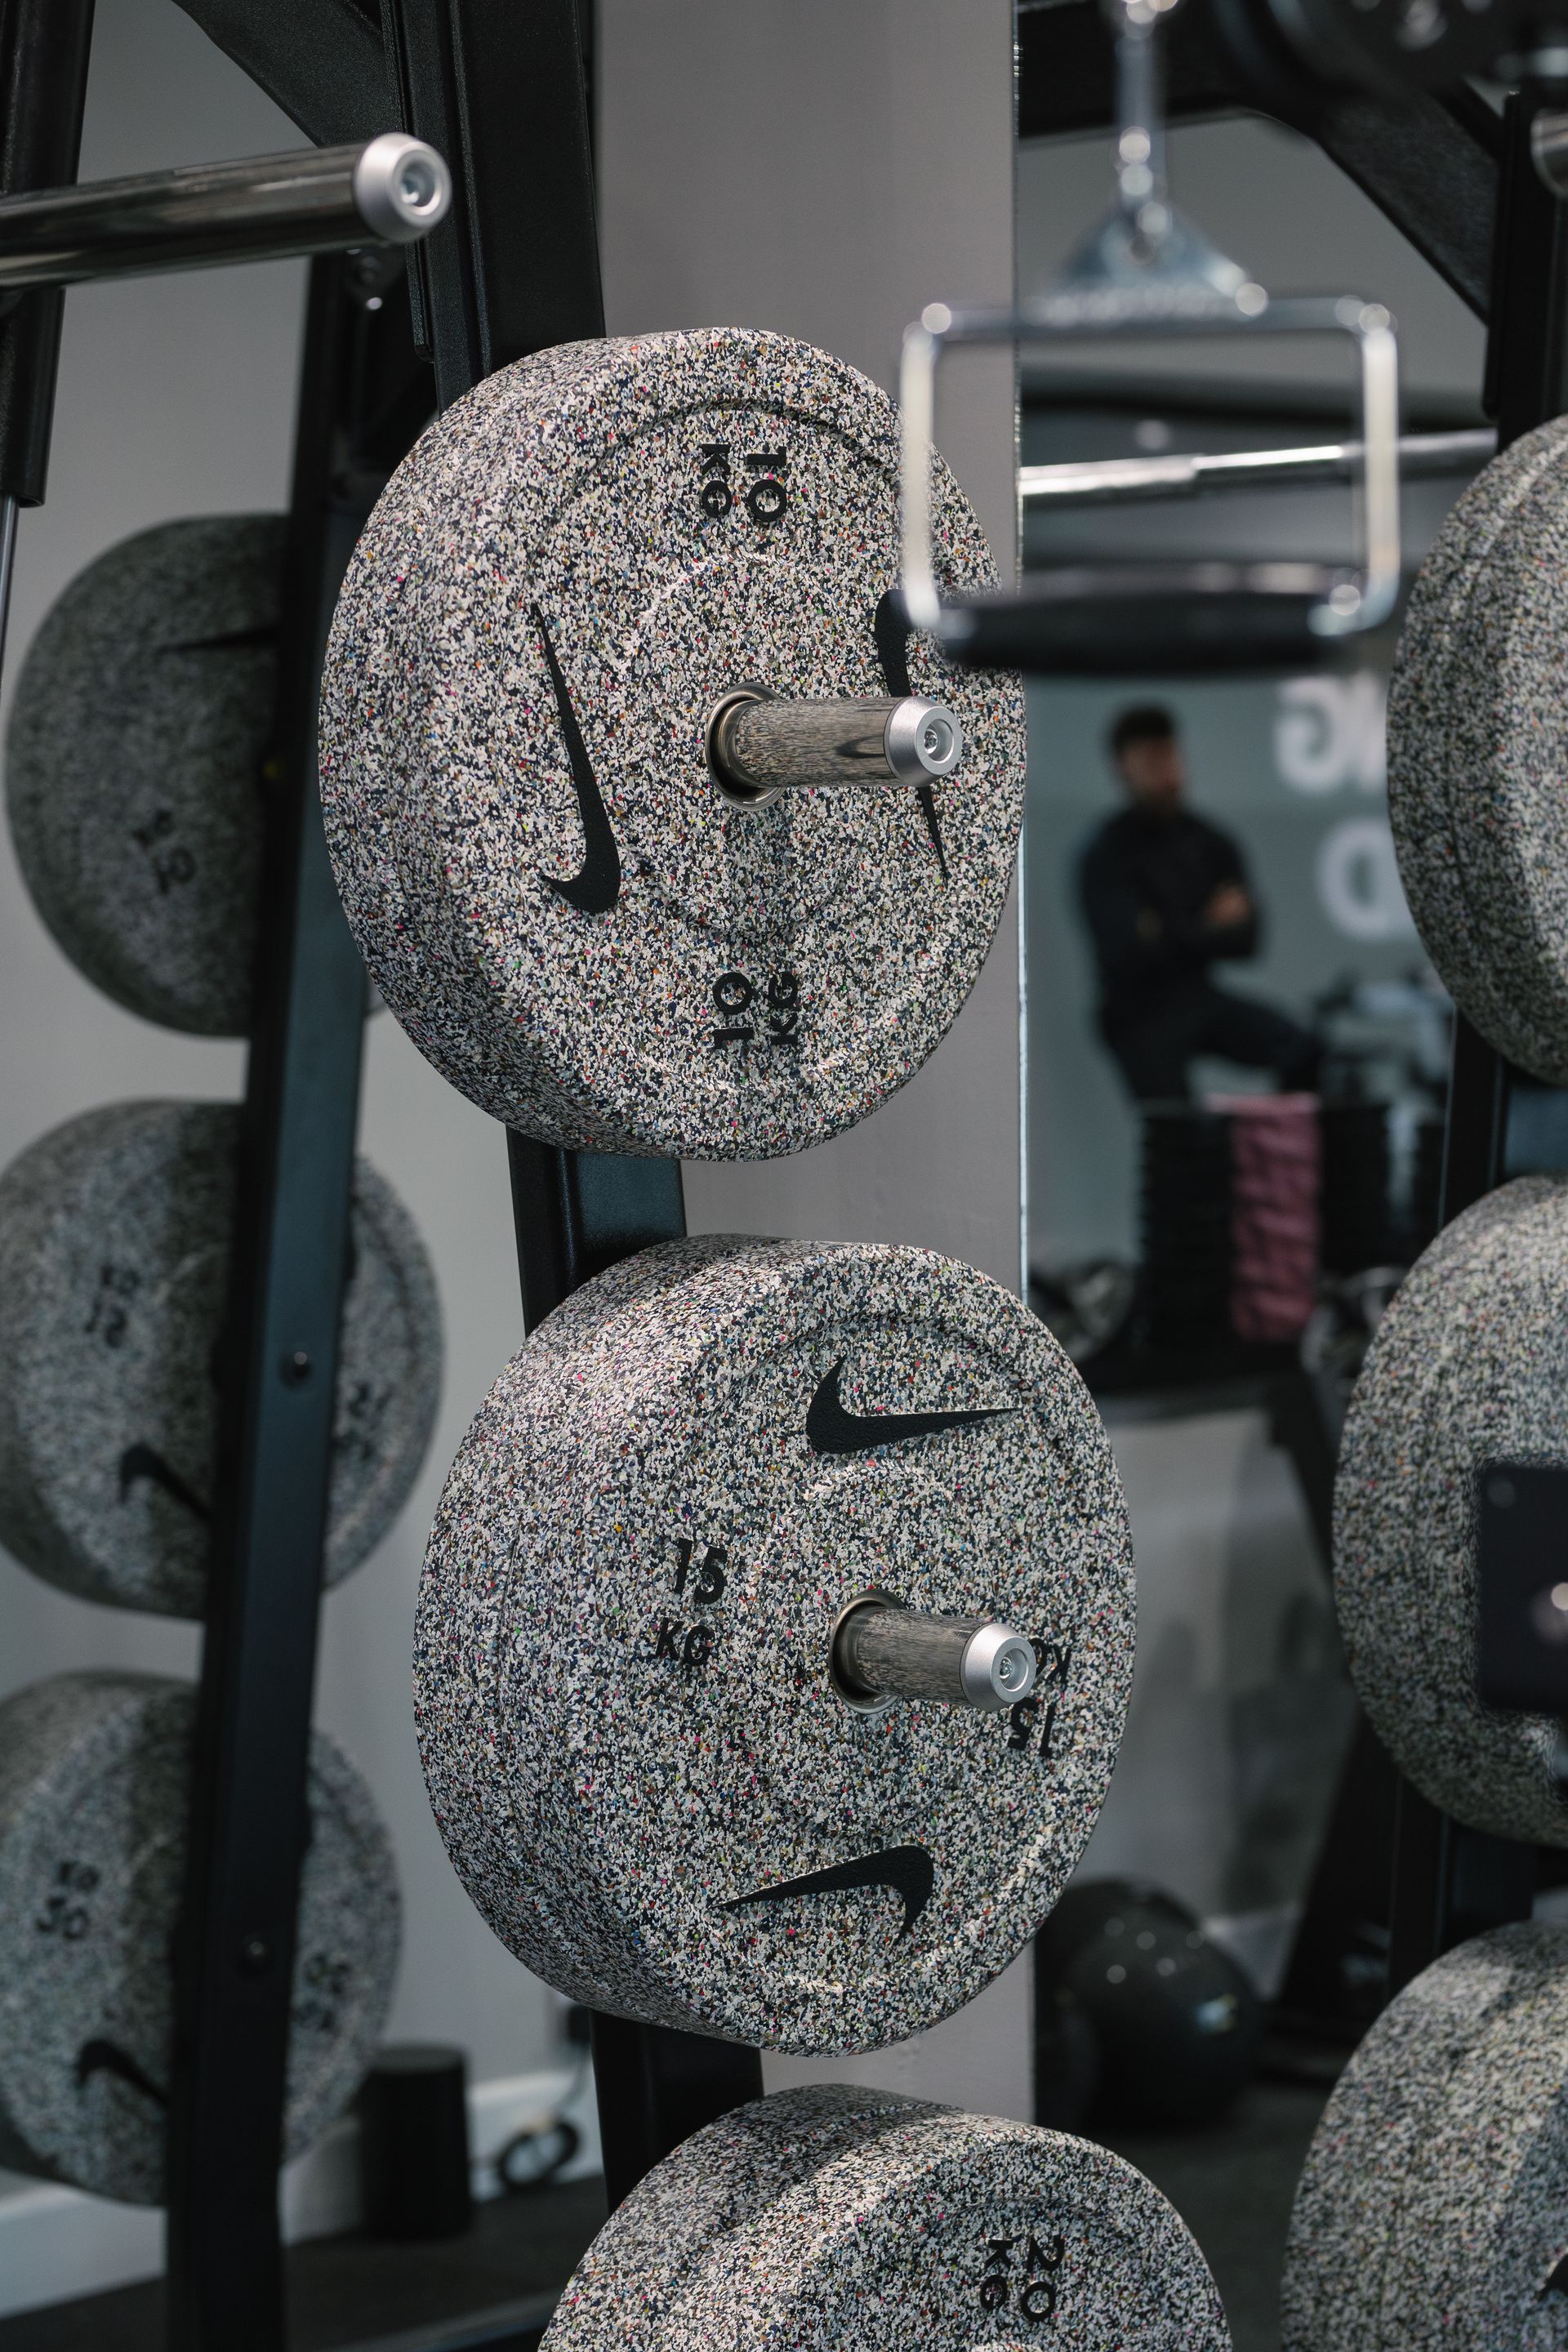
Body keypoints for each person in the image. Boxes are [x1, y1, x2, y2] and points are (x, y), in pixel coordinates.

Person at [1079, 705, 1319, 1102]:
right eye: (1152, 761)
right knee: (1178, 1132)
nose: (1167, 772)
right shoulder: (1105, 855)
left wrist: (1167, 929)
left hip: (1198, 996)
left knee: (1301, 1049)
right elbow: (1129, 951)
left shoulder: (1210, 842)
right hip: (1137, 1014)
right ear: (1122, 767)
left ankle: (1282, 1151)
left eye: (1170, 756)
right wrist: (1206, 924)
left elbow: (1247, 938)